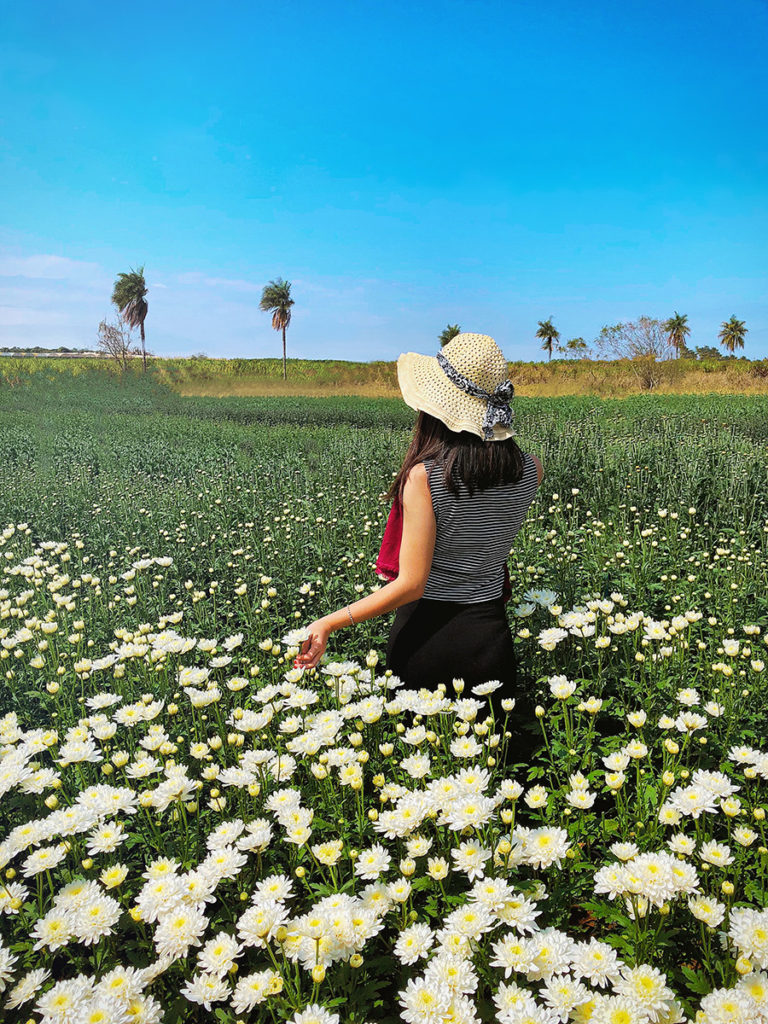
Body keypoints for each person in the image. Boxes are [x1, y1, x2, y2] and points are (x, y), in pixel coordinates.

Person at [294, 332, 543, 746]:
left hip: (427, 641)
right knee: (484, 781)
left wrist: (330, 622)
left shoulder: (426, 478)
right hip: (490, 640)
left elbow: (412, 583)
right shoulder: (531, 469)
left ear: (437, 408)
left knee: (419, 777)